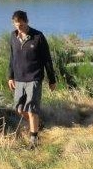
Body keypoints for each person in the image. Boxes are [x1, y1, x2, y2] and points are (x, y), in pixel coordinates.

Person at [7, 10, 56, 148]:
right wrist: (10, 76)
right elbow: (12, 58)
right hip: (19, 78)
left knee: (31, 109)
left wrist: (52, 80)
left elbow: (47, 60)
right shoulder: (13, 36)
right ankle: (37, 125)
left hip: (34, 78)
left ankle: (34, 139)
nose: (19, 28)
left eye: (21, 25)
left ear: (27, 22)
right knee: (19, 109)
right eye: (16, 25)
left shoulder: (38, 36)